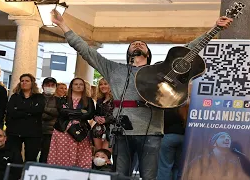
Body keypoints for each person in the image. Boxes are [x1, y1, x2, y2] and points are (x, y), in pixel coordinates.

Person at [50, 10, 233, 179]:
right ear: (128, 52)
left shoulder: (160, 69)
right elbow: (85, 50)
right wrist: (63, 25)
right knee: (121, 175)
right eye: (133, 44)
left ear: (148, 53)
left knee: (149, 176)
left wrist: (215, 28)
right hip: (121, 131)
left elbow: (188, 51)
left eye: (143, 44)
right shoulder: (114, 69)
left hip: (152, 131)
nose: (138, 44)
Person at [47, 77, 95, 169]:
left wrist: (70, 111)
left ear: (84, 87)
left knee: (81, 155)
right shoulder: (63, 99)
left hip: (81, 130)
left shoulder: (88, 100)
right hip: (63, 130)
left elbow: (89, 114)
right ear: (71, 86)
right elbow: (62, 112)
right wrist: (80, 112)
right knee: (62, 154)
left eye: (81, 84)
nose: (78, 86)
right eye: (76, 84)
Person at [6, 73, 45, 162]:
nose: (24, 83)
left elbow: (38, 110)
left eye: (27, 81)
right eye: (22, 81)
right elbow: (11, 112)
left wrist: (19, 109)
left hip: (33, 132)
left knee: (31, 157)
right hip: (15, 131)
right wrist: (29, 112)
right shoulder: (15, 96)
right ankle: (16, 175)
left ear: (32, 83)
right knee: (14, 157)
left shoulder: (39, 97)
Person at [40, 77, 60, 163]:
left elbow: (57, 112)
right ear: (43, 86)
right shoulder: (37, 97)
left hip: (50, 132)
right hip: (36, 130)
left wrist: (43, 108)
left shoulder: (58, 100)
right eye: (47, 85)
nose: (50, 87)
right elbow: (34, 111)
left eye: (52, 85)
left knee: (46, 155)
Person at [92, 78, 114, 151]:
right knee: (97, 154)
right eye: (101, 84)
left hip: (110, 130)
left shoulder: (115, 98)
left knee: (105, 155)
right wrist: (96, 118)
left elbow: (118, 114)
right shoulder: (99, 99)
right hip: (98, 130)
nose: (103, 86)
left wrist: (106, 119)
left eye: (105, 84)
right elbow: (95, 113)